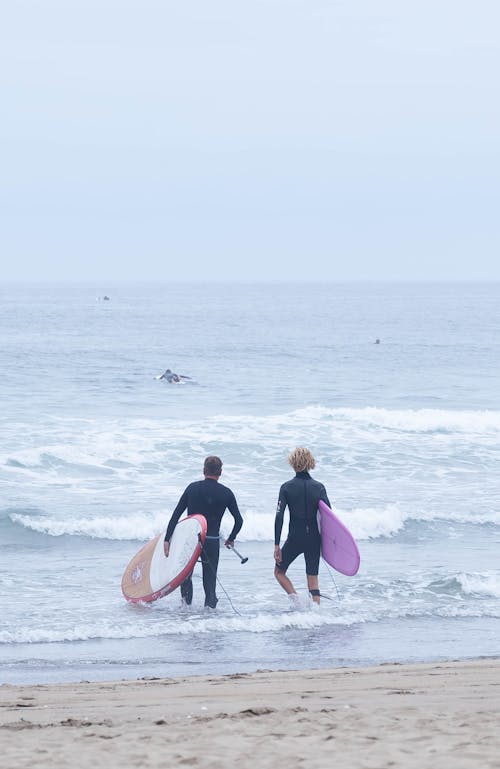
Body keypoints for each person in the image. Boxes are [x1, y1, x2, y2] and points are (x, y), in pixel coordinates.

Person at [163, 456, 243, 608]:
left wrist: (167, 539)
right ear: (220, 472)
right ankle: (209, 621)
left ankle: (186, 611)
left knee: (185, 577)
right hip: (211, 541)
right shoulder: (226, 493)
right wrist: (231, 538)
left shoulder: (192, 488)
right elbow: (239, 521)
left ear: (204, 470)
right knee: (210, 582)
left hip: (191, 541)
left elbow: (176, 514)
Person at [274, 447, 331, 605]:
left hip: (295, 538)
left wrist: (277, 544)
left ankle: (297, 601)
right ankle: (316, 617)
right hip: (314, 538)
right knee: (313, 580)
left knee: (279, 571)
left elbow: (279, 516)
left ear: (293, 463)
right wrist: (328, 543)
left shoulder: (286, 487)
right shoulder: (319, 487)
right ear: (310, 462)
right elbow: (329, 517)